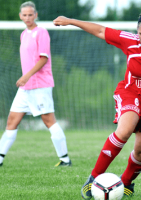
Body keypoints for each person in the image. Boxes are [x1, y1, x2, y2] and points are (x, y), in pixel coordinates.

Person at [53, 9, 141, 199]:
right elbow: (101, 31)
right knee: (125, 130)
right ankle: (93, 179)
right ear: (137, 31)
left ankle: (126, 184)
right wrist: (70, 19)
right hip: (131, 93)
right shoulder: (130, 40)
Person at [0, 1, 71, 167]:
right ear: (20, 16)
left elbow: (43, 58)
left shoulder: (42, 33)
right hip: (26, 87)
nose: (27, 17)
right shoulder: (24, 34)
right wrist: (25, 79)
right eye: (24, 15)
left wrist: (26, 76)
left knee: (48, 121)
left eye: (30, 14)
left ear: (35, 15)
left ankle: (65, 160)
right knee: (12, 120)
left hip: (40, 85)